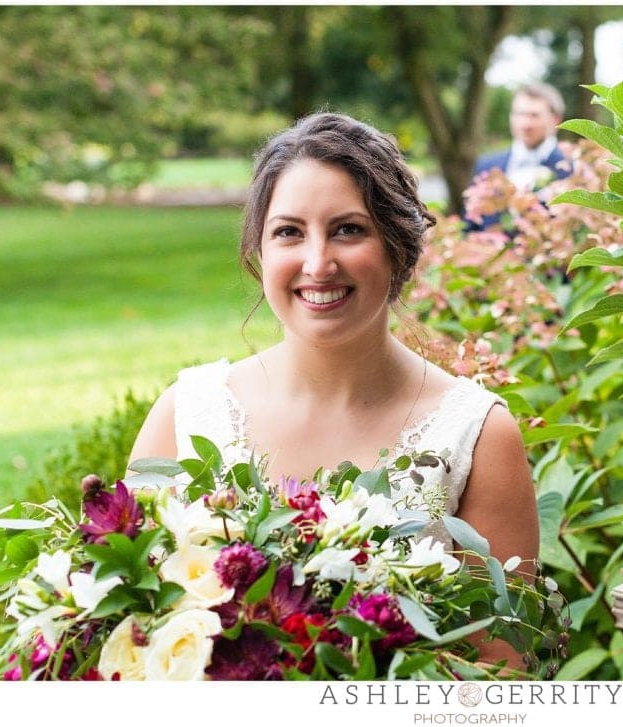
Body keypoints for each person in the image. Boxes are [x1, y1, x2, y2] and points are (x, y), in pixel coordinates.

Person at [126, 112, 539, 669]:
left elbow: (497, 677)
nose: (318, 263)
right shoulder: (186, 413)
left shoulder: (478, 435)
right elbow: (129, 633)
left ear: (399, 246)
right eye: (289, 232)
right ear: (260, 252)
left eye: (348, 229)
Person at [465, 83, 572, 230]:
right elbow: (470, 227)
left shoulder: (573, 169)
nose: (525, 124)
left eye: (534, 115)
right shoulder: (486, 165)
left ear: (556, 119)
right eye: (519, 114)